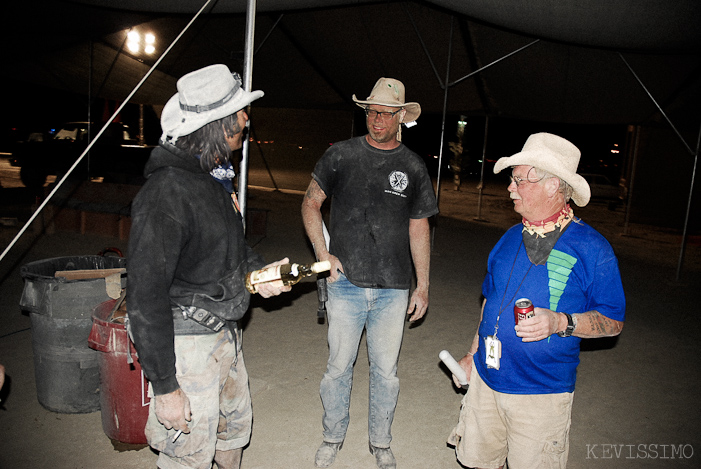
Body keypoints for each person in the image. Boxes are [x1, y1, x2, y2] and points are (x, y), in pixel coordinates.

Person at [127, 64, 290, 469]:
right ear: (216, 124)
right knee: (188, 457)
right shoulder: (166, 194)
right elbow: (144, 299)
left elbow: (230, 248)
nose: (246, 119)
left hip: (225, 334)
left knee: (232, 434)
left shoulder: (214, 176)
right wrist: (165, 388)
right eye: (239, 112)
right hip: (188, 348)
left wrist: (257, 276)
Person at [447, 132, 626, 469]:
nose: (511, 188)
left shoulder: (592, 248)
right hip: (487, 381)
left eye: (518, 180)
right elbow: (490, 302)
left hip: (541, 393)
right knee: (478, 462)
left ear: (552, 185)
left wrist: (561, 322)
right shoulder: (509, 237)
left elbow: (613, 321)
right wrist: (472, 355)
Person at [301, 77, 439, 469]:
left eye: (385, 113)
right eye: (371, 111)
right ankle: (332, 436)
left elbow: (419, 227)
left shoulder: (412, 166)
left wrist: (423, 285)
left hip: (394, 289)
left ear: (399, 117)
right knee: (338, 368)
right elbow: (310, 204)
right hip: (344, 284)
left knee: (386, 373)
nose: (376, 119)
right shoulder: (341, 156)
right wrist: (323, 254)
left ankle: (380, 443)